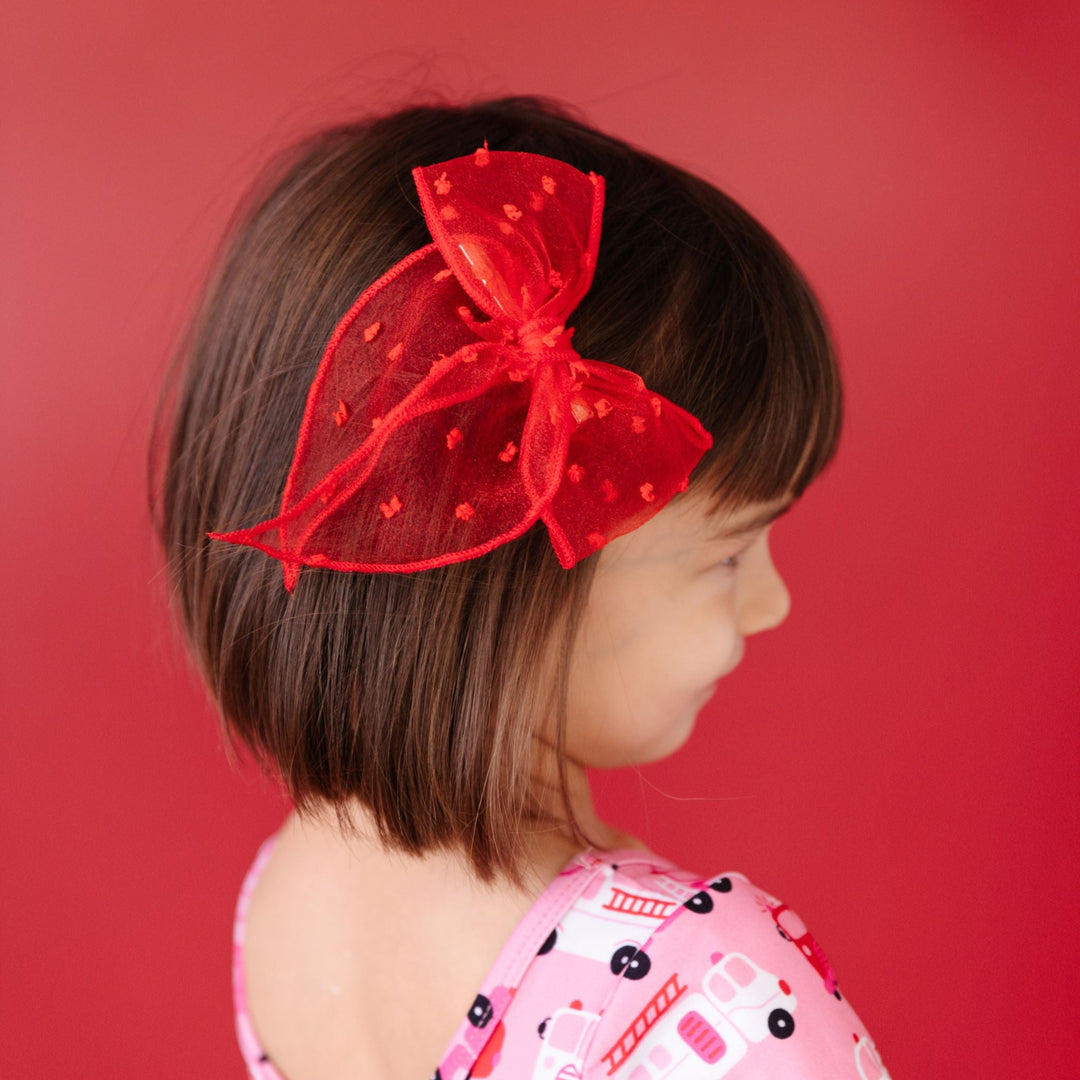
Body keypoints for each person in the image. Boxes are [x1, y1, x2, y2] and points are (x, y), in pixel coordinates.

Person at [150, 94, 890, 1080]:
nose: (770, 602)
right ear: (509, 583)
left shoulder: (290, 893)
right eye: (726, 555)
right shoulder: (705, 985)